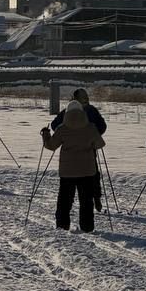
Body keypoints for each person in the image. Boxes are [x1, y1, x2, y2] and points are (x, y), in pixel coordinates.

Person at [41, 100, 104, 233]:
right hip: (87, 171)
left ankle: (62, 226)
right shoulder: (91, 128)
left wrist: (46, 135)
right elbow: (99, 144)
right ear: (82, 112)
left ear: (67, 113)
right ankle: (87, 227)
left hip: (67, 172)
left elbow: (51, 146)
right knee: (86, 201)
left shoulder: (62, 129)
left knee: (64, 200)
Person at [51, 87, 107, 210]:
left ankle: (68, 205)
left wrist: (64, 134)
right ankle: (96, 198)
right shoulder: (92, 110)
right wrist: (94, 136)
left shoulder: (67, 112)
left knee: (68, 181)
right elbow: (102, 126)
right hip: (88, 150)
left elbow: (54, 125)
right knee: (93, 175)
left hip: (69, 153)